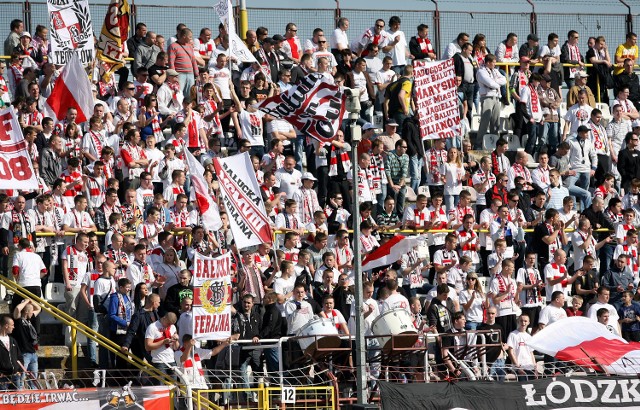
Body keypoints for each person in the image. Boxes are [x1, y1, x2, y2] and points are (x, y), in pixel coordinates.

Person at [476, 54, 506, 146]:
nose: (495, 64)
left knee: (495, 122)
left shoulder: (495, 71)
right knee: (485, 121)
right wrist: (496, 82)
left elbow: (504, 79)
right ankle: (478, 143)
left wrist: (494, 81)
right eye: (493, 62)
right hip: (487, 97)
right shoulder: (481, 71)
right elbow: (490, 83)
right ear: (488, 62)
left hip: (496, 97)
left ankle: (495, 143)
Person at [12, 299, 40, 389]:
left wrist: (31, 302)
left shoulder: (30, 321)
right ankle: (19, 393)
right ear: (27, 311)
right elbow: (17, 309)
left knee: (34, 379)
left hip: (33, 353)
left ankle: (34, 395)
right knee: (21, 378)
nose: (33, 313)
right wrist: (25, 302)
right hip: (24, 354)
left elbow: (39, 308)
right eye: (31, 311)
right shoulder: (19, 321)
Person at [145, 312, 179, 376]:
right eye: (168, 323)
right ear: (164, 318)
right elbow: (147, 347)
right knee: (160, 385)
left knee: (174, 384)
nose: (169, 326)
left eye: (171, 324)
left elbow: (176, 348)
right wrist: (163, 342)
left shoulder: (173, 327)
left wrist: (176, 340)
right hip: (159, 361)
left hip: (171, 360)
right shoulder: (153, 327)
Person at [506, 314, 536, 381]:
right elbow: (511, 352)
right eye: (521, 321)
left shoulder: (529, 337)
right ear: (518, 322)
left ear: (529, 322)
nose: (523, 323)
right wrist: (517, 367)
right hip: (520, 367)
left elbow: (531, 353)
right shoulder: (513, 334)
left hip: (530, 367)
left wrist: (535, 367)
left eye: (525, 321)